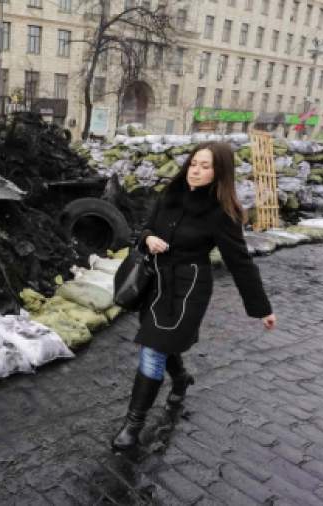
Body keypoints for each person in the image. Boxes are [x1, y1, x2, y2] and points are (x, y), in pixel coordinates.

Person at [111, 142, 278, 452]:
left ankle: (133, 426)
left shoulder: (221, 213)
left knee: (153, 346)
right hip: (156, 283)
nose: (196, 170)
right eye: (194, 164)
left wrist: (261, 309)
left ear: (219, 173)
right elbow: (145, 227)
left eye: (206, 166)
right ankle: (182, 378)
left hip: (188, 290)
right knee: (160, 343)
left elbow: (240, 262)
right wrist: (149, 238)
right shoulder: (170, 195)